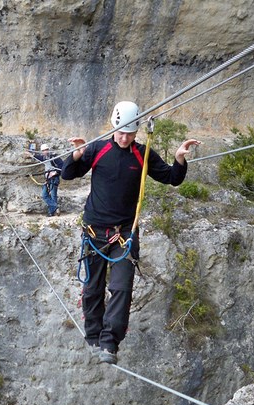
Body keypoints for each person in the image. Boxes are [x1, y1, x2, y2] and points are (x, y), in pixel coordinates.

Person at [61, 101, 200, 364]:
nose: (125, 138)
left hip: (125, 232)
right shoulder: (97, 149)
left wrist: (179, 157)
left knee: (121, 288)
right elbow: (68, 174)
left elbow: (172, 178)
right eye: (121, 133)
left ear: (137, 132)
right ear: (113, 128)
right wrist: (77, 154)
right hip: (94, 231)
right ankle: (93, 335)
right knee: (92, 288)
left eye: (130, 134)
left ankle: (109, 343)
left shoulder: (143, 154)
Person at [27, 143, 64, 216]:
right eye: (43, 150)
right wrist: (30, 154)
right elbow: (37, 157)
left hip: (54, 178)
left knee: (53, 195)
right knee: (44, 195)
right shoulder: (44, 158)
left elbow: (62, 166)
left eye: (46, 150)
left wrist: (55, 173)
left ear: (48, 150)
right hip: (48, 179)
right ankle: (55, 208)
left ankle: (51, 213)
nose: (45, 152)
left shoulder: (54, 157)